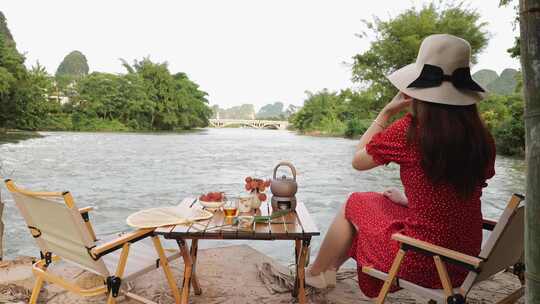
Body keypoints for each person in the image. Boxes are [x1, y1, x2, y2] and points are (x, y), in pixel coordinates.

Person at [305, 34, 496, 298]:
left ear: (418, 91)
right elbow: (454, 196)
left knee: (355, 201)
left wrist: (386, 112)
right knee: (374, 199)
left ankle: (316, 272)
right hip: (464, 262)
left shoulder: (411, 131)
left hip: (423, 261)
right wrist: (408, 200)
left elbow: (358, 160)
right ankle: (326, 271)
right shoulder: (481, 137)